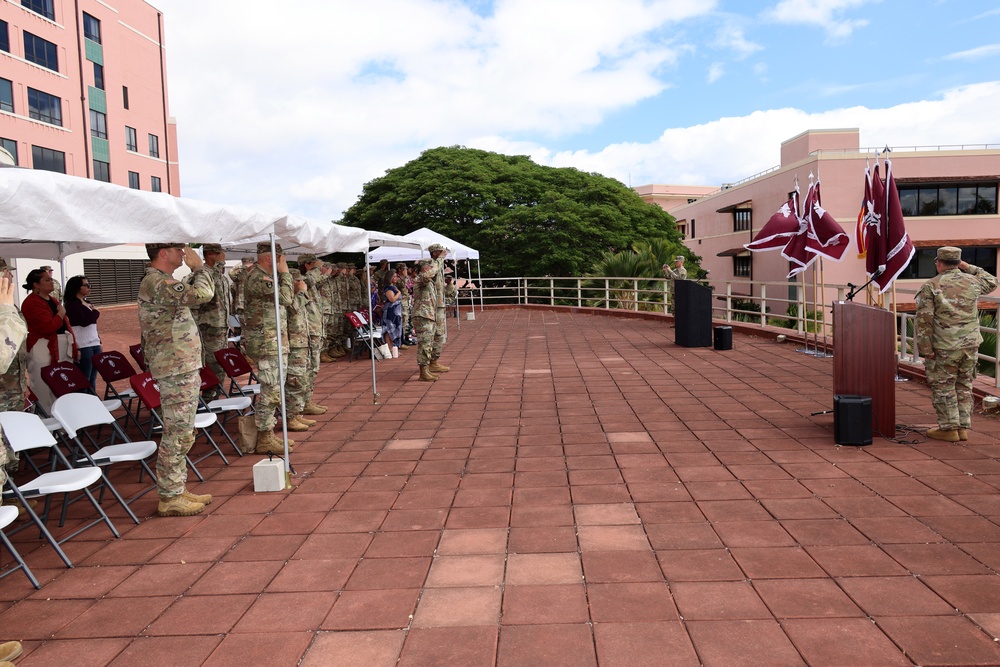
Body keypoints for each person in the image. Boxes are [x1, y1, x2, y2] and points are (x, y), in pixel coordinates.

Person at [137, 243, 215, 517]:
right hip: (174, 368)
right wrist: (200, 268)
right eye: (178, 249)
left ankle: (177, 489)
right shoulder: (157, 283)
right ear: (163, 253)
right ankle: (170, 496)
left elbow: (190, 293)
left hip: (179, 365)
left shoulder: (164, 282)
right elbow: (202, 294)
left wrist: (196, 271)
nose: (183, 253)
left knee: (183, 431)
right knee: (177, 432)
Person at [915, 246, 999, 442]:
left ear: (938, 262)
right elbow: (992, 281)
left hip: (945, 345)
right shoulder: (973, 281)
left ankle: (949, 428)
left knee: (944, 386)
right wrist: (967, 267)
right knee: (964, 384)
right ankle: (962, 427)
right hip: (970, 344)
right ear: (958, 262)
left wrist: (926, 349)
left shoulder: (932, 286)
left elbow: (924, 321)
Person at [243, 242, 294, 454]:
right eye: (281, 259)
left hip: (272, 341)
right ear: (271, 258)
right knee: (271, 389)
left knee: (275, 388)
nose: (283, 263)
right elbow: (286, 298)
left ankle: (268, 433)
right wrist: (286, 274)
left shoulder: (264, 276)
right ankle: (264, 436)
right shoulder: (259, 277)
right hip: (267, 343)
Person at [21, 268, 77, 413]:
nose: (51, 282)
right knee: (43, 386)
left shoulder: (52, 300)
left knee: (62, 383)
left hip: (61, 345)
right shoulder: (32, 302)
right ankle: (46, 421)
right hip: (43, 347)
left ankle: (63, 420)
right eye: (47, 280)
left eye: (51, 279)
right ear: (36, 285)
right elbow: (47, 327)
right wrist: (60, 314)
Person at [189, 244, 229, 395]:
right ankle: (209, 398)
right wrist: (219, 265)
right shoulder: (203, 274)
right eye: (220, 254)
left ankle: (215, 395)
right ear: (211, 254)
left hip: (220, 327)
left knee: (220, 364)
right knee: (213, 364)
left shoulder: (218, 274)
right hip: (209, 328)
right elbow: (210, 289)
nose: (223, 256)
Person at [63, 275, 101, 391]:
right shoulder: (72, 305)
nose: (89, 287)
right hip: (83, 345)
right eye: (86, 285)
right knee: (85, 378)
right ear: (77, 288)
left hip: (94, 343)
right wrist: (96, 312)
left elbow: (93, 325)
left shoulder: (86, 303)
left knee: (93, 377)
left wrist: (99, 340)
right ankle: (85, 401)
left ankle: (92, 400)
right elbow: (84, 321)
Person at [382, 267, 403, 358]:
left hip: (396, 311)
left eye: (396, 276)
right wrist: (399, 293)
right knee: (389, 329)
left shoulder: (394, 287)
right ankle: (390, 348)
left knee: (395, 329)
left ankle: (393, 347)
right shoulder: (388, 288)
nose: (396, 278)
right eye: (394, 276)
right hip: (390, 311)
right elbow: (392, 299)